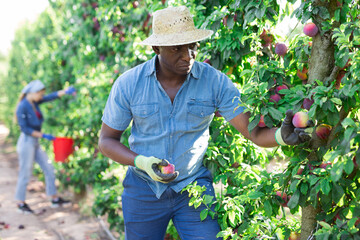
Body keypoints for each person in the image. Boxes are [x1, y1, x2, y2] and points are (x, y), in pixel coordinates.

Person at [98, 6, 312, 240]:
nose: (188, 55)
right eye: (177, 48)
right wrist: (142, 162)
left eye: (192, 45)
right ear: (156, 48)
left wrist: (282, 136)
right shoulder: (129, 84)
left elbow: (256, 134)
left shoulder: (214, 82)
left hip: (193, 188)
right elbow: (107, 141)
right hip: (144, 188)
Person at [15, 79, 76, 214]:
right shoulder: (22, 106)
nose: (42, 97)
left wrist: (65, 92)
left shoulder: (34, 102)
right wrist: (43, 135)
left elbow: (51, 97)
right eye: (40, 94)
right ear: (33, 93)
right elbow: (25, 128)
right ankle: (20, 202)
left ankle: (54, 198)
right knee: (25, 172)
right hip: (26, 142)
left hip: (34, 142)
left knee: (48, 167)